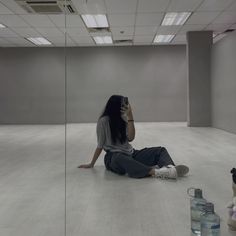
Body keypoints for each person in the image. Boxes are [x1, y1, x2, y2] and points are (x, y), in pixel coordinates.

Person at [79, 95, 189, 179]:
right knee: (119, 158)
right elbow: (100, 145)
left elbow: (131, 138)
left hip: (131, 153)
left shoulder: (123, 118)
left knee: (160, 150)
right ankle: (156, 172)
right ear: (115, 107)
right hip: (113, 157)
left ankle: (170, 169)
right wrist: (91, 163)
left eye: (125, 105)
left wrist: (130, 116)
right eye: (122, 105)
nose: (125, 107)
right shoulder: (103, 121)